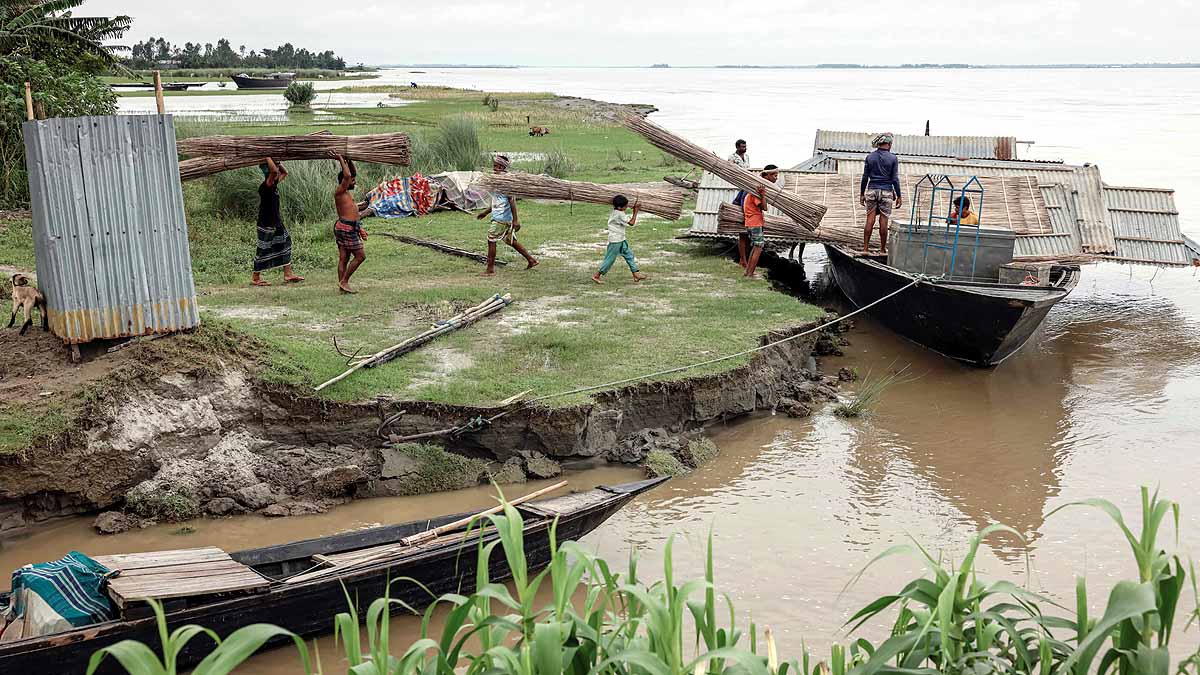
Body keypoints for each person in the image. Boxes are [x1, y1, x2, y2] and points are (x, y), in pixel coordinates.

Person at [477, 154, 538, 276]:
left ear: (501, 167)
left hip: (501, 218)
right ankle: (531, 260)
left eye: (495, 166)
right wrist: (485, 212)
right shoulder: (498, 181)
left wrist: (516, 220)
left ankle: (490, 270)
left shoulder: (505, 183)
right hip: (502, 217)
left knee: (491, 240)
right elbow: (498, 201)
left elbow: (512, 201)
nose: (493, 169)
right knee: (510, 240)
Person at [251, 158, 303, 287]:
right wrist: (269, 156)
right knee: (263, 249)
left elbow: (285, 173)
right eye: (275, 170)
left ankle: (288, 274)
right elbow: (274, 171)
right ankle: (255, 278)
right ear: (269, 173)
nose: (278, 171)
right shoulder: (266, 186)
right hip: (266, 223)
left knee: (286, 243)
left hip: (276, 222)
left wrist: (278, 162)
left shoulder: (273, 184)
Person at [859, 132, 902, 254]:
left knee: (870, 220)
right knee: (883, 221)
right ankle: (882, 250)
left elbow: (865, 177)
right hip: (887, 191)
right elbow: (895, 179)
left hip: (872, 190)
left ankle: (865, 249)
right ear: (889, 144)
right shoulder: (893, 158)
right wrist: (899, 196)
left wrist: (862, 194)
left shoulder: (870, 157)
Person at [330, 152, 367, 294]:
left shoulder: (346, 193)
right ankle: (344, 281)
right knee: (360, 256)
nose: (354, 182)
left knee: (344, 258)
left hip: (346, 227)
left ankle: (342, 287)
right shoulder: (340, 191)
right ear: (344, 182)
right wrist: (339, 158)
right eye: (352, 180)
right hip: (346, 229)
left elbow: (350, 173)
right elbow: (347, 175)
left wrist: (348, 159)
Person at [592, 195, 648, 284]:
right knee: (610, 259)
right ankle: (596, 275)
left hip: (621, 239)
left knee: (629, 255)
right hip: (616, 241)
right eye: (625, 206)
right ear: (619, 207)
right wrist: (636, 211)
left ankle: (636, 274)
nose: (626, 207)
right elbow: (632, 223)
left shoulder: (617, 211)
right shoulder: (619, 214)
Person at [741, 164, 778, 279]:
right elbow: (764, 207)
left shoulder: (757, 187)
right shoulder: (757, 190)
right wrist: (763, 195)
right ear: (766, 175)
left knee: (755, 247)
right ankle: (750, 275)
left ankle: (748, 272)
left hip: (751, 222)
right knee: (758, 248)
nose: (776, 178)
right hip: (755, 223)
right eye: (775, 175)